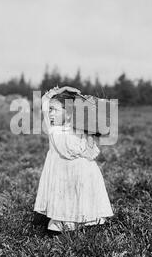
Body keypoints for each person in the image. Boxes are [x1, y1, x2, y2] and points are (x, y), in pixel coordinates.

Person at [33, 85, 114, 236]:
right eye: (50, 110)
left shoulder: (80, 129)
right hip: (62, 175)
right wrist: (60, 90)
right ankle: (61, 229)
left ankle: (84, 228)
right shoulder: (53, 128)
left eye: (55, 110)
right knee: (64, 204)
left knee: (82, 201)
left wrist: (90, 129)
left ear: (69, 113)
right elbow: (44, 100)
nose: (50, 113)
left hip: (81, 173)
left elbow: (90, 151)